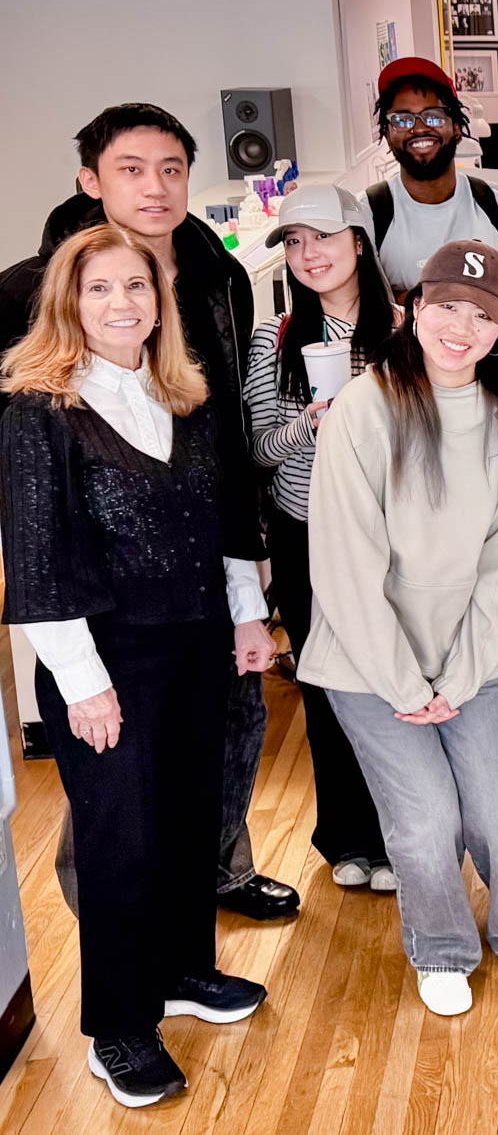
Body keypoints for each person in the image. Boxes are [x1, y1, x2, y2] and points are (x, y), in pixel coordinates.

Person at [0, 102, 297, 923]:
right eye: (131, 169)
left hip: (209, 536)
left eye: (171, 169)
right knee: (114, 759)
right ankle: (109, 909)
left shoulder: (219, 274)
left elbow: (224, 421)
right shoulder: (37, 286)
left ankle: (215, 874)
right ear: (91, 181)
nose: (155, 187)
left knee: (229, 721)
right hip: (104, 580)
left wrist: (248, 559)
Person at [0, 225, 275, 1108]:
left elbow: (229, 520)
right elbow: (38, 566)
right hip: (105, 661)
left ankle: (185, 971)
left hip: (195, 642)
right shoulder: (40, 411)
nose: (123, 304)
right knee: (121, 841)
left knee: (192, 817)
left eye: (138, 287)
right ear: (67, 305)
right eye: (100, 289)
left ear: (161, 303)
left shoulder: (182, 394)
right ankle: (118, 1024)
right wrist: (82, 683)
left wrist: (246, 619)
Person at [299, 241, 498, 1019]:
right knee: (426, 820)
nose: (461, 326)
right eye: (446, 306)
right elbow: (345, 560)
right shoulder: (366, 407)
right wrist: (406, 683)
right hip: (366, 664)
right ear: (414, 309)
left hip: (468, 659)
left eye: (482, 315)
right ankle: (442, 945)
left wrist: (461, 669)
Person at [244, 185, 397, 892]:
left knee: (395, 679)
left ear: (358, 243)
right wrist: (311, 422)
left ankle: (401, 833)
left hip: (392, 536)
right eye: (295, 244)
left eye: (324, 239)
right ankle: (346, 835)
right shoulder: (273, 338)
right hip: (307, 534)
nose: (309, 255)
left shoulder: (408, 327)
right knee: (328, 681)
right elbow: (260, 451)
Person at [363, 58, 498, 290]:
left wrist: (408, 299)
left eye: (434, 116)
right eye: (402, 119)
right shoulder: (368, 215)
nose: (419, 128)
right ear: (387, 135)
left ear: (457, 128)